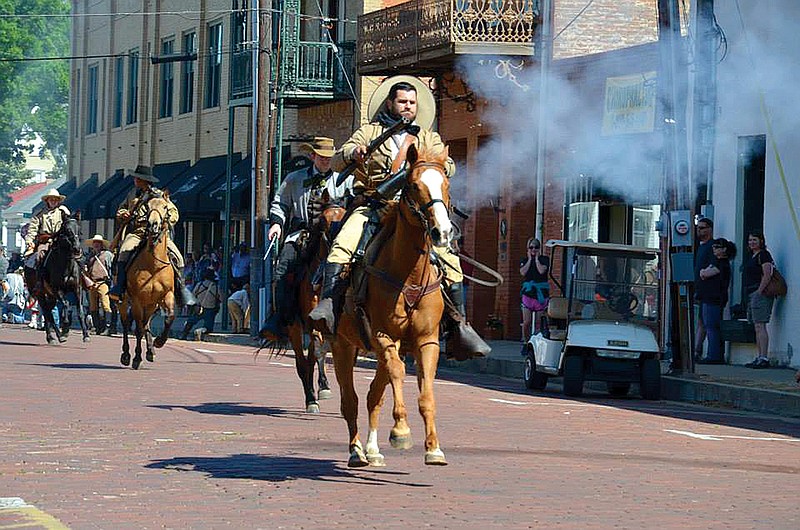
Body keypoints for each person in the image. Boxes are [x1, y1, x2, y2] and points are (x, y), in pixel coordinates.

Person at [308, 76, 491, 359]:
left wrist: (434, 163)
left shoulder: (428, 137)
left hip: (415, 212)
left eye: (412, 103)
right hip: (376, 207)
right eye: (403, 102)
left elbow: (448, 166)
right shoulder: (369, 133)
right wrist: (353, 153)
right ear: (391, 103)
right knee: (342, 246)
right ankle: (330, 307)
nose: (408, 107)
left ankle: (459, 326)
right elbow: (337, 160)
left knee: (450, 260)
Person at [261, 136, 353, 339]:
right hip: (302, 234)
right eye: (321, 157)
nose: (326, 160)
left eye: (329, 157)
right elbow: (280, 203)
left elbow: (355, 202)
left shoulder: (346, 179)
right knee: (282, 271)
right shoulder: (294, 179)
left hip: (335, 235)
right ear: (312, 156)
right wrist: (277, 223)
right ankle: (279, 319)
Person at [107, 165, 196, 307]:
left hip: (158, 234)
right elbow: (121, 208)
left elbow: (174, 212)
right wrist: (123, 213)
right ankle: (120, 288)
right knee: (123, 252)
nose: (135, 180)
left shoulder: (159, 195)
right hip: (138, 232)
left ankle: (181, 290)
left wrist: (166, 220)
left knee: (179, 258)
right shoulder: (132, 194)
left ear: (144, 180)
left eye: (137, 178)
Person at [696, 238, 736, 364]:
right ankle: (714, 354)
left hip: (713, 299)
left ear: (724, 249)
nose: (714, 249)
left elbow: (705, 273)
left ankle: (714, 356)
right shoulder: (716, 261)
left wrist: (703, 272)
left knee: (711, 327)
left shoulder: (722, 263)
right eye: (713, 247)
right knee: (709, 326)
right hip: (708, 297)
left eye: (717, 247)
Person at [743, 231, 776, 369]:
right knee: (757, 326)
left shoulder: (764, 255)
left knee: (760, 325)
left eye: (755, 240)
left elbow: (767, 274)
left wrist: (759, 291)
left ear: (761, 241)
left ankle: (764, 357)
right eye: (750, 240)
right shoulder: (752, 256)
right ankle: (759, 356)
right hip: (751, 293)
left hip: (759, 293)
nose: (752, 242)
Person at [23, 188, 71, 271]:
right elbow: (33, 229)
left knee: (74, 255)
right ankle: (40, 278)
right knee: (40, 255)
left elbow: (70, 225)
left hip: (61, 240)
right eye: (51, 199)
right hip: (46, 241)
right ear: (47, 201)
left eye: (56, 199)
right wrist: (29, 240)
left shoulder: (63, 212)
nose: (53, 201)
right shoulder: (40, 214)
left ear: (58, 201)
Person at [519, 237, 549, 354]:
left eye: (536, 247)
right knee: (526, 322)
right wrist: (530, 260)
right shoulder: (524, 260)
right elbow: (523, 272)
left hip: (540, 294)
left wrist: (536, 259)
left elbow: (542, 271)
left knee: (538, 322)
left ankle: (536, 343)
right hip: (528, 294)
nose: (534, 249)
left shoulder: (544, 259)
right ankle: (525, 342)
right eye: (531, 247)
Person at [693, 217, 715, 360]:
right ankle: (696, 351)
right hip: (700, 291)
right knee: (700, 322)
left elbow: (714, 266)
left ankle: (709, 354)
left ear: (709, 229)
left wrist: (704, 274)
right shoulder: (700, 247)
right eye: (698, 228)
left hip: (709, 292)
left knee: (708, 324)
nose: (699, 230)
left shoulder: (712, 247)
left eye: (702, 228)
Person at [83, 234, 114, 335]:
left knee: (106, 305)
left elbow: (112, 268)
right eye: (94, 243)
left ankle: (108, 327)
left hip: (103, 282)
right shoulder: (90, 256)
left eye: (98, 243)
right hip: (92, 283)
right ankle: (97, 327)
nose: (96, 244)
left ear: (101, 244)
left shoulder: (107, 254)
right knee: (93, 307)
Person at [180, 268, 221, 340]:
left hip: (198, 307)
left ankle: (184, 334)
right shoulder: (216, 287)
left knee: (190, 322)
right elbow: (220, 298)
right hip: (210, 308)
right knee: (208, 327)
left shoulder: (199, 285)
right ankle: (200, 331)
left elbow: (192, 295)